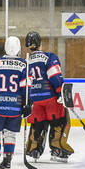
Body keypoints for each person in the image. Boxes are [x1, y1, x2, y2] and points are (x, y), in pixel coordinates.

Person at [24, 30, 73, 162]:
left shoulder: (26, 62)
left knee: (37, 125)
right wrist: (60, 92)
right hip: (50, 98)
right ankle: (57, 150)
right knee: (60, 122)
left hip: (34, 101)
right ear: (40, 43)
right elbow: (55, 77)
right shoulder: (49, 57)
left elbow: (24, 84)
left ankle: (34, 150)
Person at [0, 37, 29, 169]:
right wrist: (28, 104)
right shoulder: (24, 64)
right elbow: (25, 87)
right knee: (10, 134)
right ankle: (7, 160)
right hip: (15, 107)